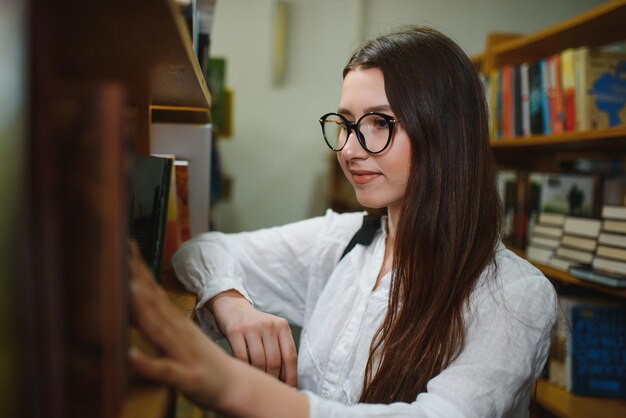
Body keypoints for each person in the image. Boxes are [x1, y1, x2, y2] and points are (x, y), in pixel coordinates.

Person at [129, 26, 557, 418]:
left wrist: (235, 388)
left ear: (444, 133)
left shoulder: (517, 296)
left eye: (378, 123)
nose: (349, 149)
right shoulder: (342, 240)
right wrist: (234, 305)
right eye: (346, 124)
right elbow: (199, 251)